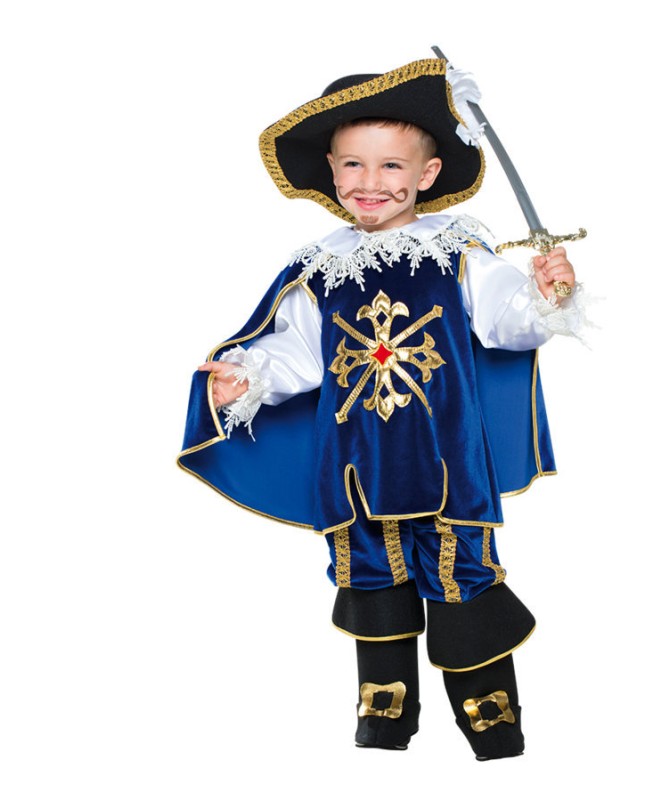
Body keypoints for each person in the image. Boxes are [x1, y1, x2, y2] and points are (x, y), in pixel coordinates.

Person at [179, 58, 586, 760]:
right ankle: (384, 716)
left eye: (391, 165)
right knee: (369, 576)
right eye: (354, 165)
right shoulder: (319, 267)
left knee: (460, 576)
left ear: (427, 174)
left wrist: (546, 296)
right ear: (332, 171)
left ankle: (492, 725)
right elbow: (298, 355)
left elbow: (507, 324)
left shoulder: (456, 251)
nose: (370, 183)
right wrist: (246, 381)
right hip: (354, 467)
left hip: (444, 461)